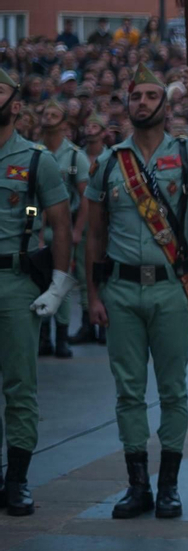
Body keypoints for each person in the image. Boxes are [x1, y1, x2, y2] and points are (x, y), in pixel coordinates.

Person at [83, 65, 188, 519]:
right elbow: (94, 235)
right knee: (128, 392)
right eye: (135, 96)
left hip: (171, 290)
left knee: (174, 390)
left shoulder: (186, 153)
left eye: (150, 96)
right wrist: (92, 295)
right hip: (120, 288)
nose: (142, 103)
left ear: (167, 104)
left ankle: (169, 486)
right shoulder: (108, 163)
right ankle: (136, 484)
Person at [0, 66, 75, 516]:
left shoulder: (34, 159)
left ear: (16, 104)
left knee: (20, 385)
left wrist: (59, 285)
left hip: (14, 279)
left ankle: (17, 480)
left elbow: (62, 223)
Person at [35, 100, 89, 358]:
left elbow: (85, 197)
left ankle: (62, 336)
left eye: (54, 114)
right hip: (37, 225)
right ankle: (43, 336)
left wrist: (77, 231)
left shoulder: (75, 155)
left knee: (61, 278)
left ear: (64, 124)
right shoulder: (33, 151)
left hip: (65, 226)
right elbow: (30, 198)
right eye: (45, 113)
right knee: (38, 281)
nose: (48, 118)